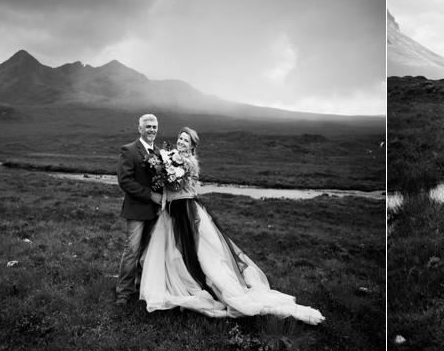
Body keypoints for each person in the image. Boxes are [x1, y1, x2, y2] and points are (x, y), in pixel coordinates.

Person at [138, 127, 324, 325]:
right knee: (171, 251)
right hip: (171, 210)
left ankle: (202, 284)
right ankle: (173, 282)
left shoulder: (189, 163)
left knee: (198, 251)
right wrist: (163, 170)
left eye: (186, 140)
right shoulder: (171, 156)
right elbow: (167, 182)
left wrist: (170, 173)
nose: (182, 142)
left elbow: (178, 185)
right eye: (180, 138)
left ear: (192, 145)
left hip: (187, 211)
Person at [114, 113, 165, 306]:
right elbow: (125, 181)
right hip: (136, 210)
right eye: (148, 126)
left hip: (154, 212)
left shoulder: (160, 153)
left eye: (154, 126)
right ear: (140, 129)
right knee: (132, 251)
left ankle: (142, 286)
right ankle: (124, 293)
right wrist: (150, 195)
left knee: (147, 252)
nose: (152, 129)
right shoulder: (129, 150)